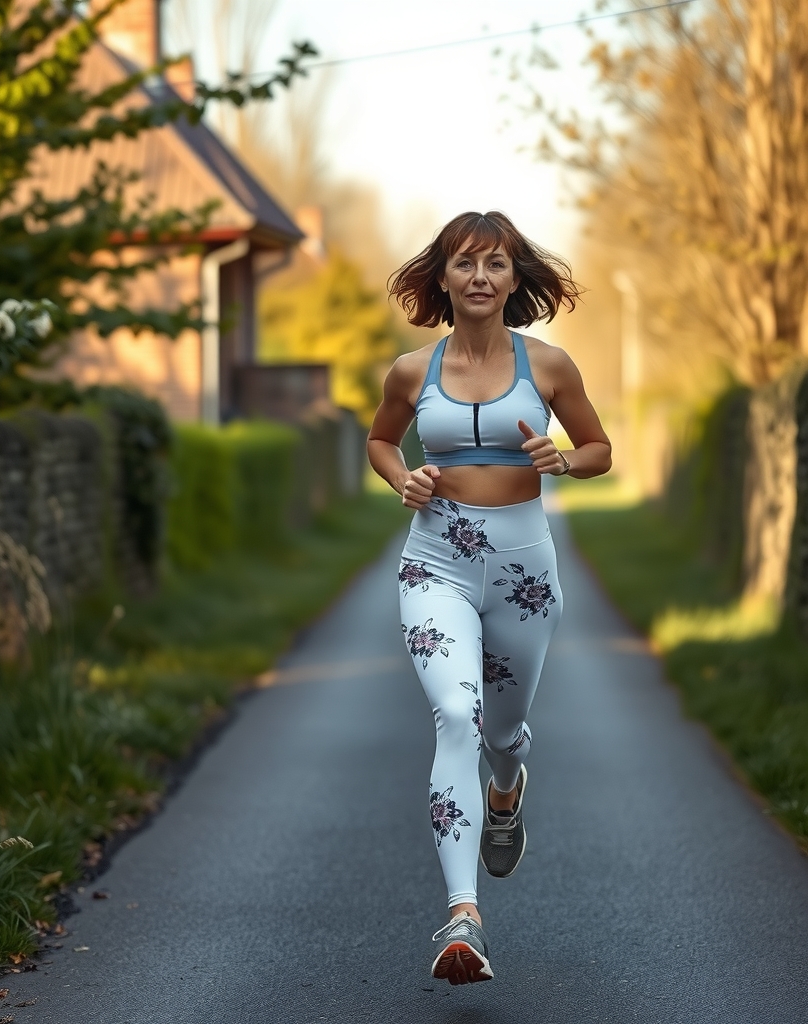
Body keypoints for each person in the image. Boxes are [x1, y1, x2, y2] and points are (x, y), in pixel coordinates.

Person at [367, 211, 611, 986]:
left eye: (496, 265)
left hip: (523, 571)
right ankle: (463, 915)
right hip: (434, 561)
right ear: (441, 276)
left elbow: (601, 449)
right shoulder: (411, 370)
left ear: (514, 280)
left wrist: (564, 461)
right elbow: (380, 439)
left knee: (503, 733)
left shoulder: (549, 366)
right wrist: (398, 475)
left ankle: (507, 792)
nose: (480, 277)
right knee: (456, 716)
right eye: (465, 263)